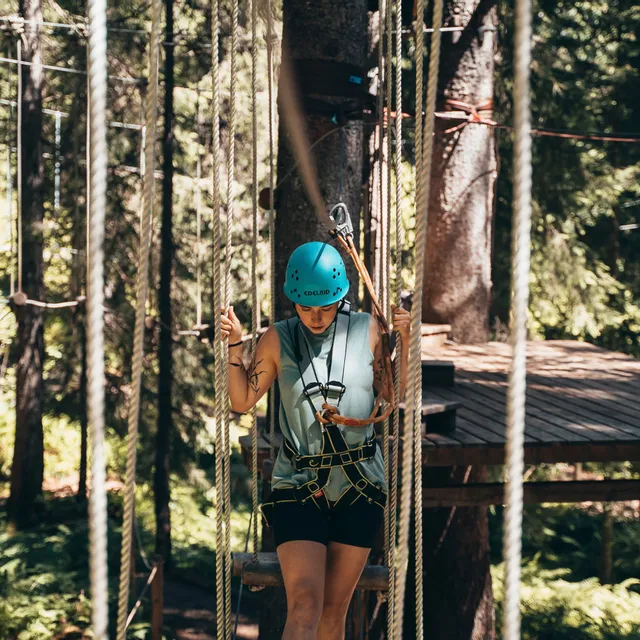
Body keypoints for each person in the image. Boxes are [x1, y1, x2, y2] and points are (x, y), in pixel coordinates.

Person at [221, 241, 410, 640]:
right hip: (297, 485)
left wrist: (406, 342)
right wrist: (236, 346)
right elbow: (241, 400)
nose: (316, 316)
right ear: (295, 303)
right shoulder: (279, 339)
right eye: (307, 307)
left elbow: (394, 395)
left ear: (339, 297)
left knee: (332, 612)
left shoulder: (367, 330)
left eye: (324, 306)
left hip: (360, 484)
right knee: (305, 603)